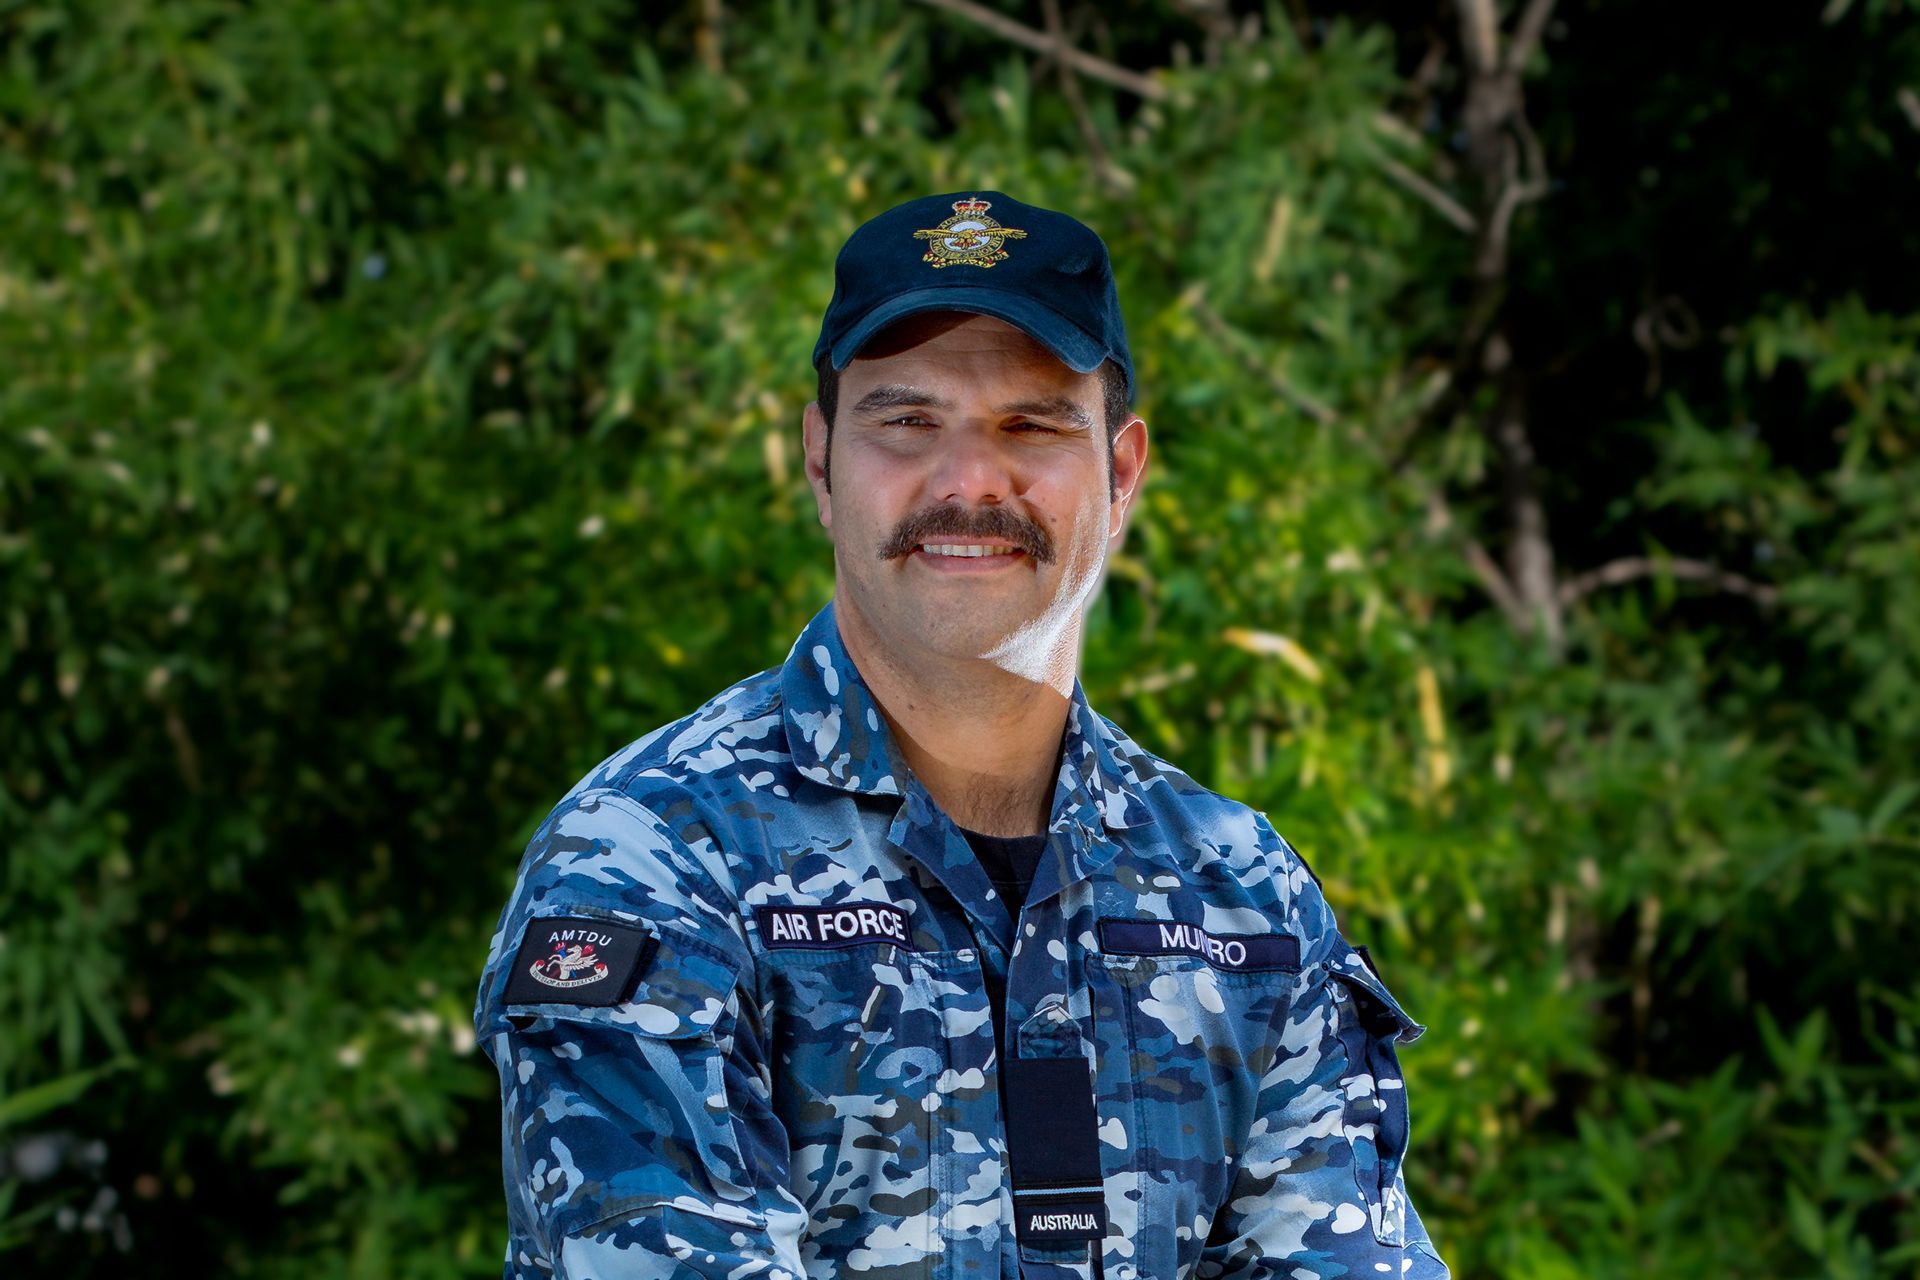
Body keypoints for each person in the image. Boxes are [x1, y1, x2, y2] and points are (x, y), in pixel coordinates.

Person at [472, 190, 1450, 1280]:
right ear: (820, 462)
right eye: (905, 421)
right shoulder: (654, 858)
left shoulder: (1242, 893)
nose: (969, 481)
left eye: (1030, 423)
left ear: (1121, 472)